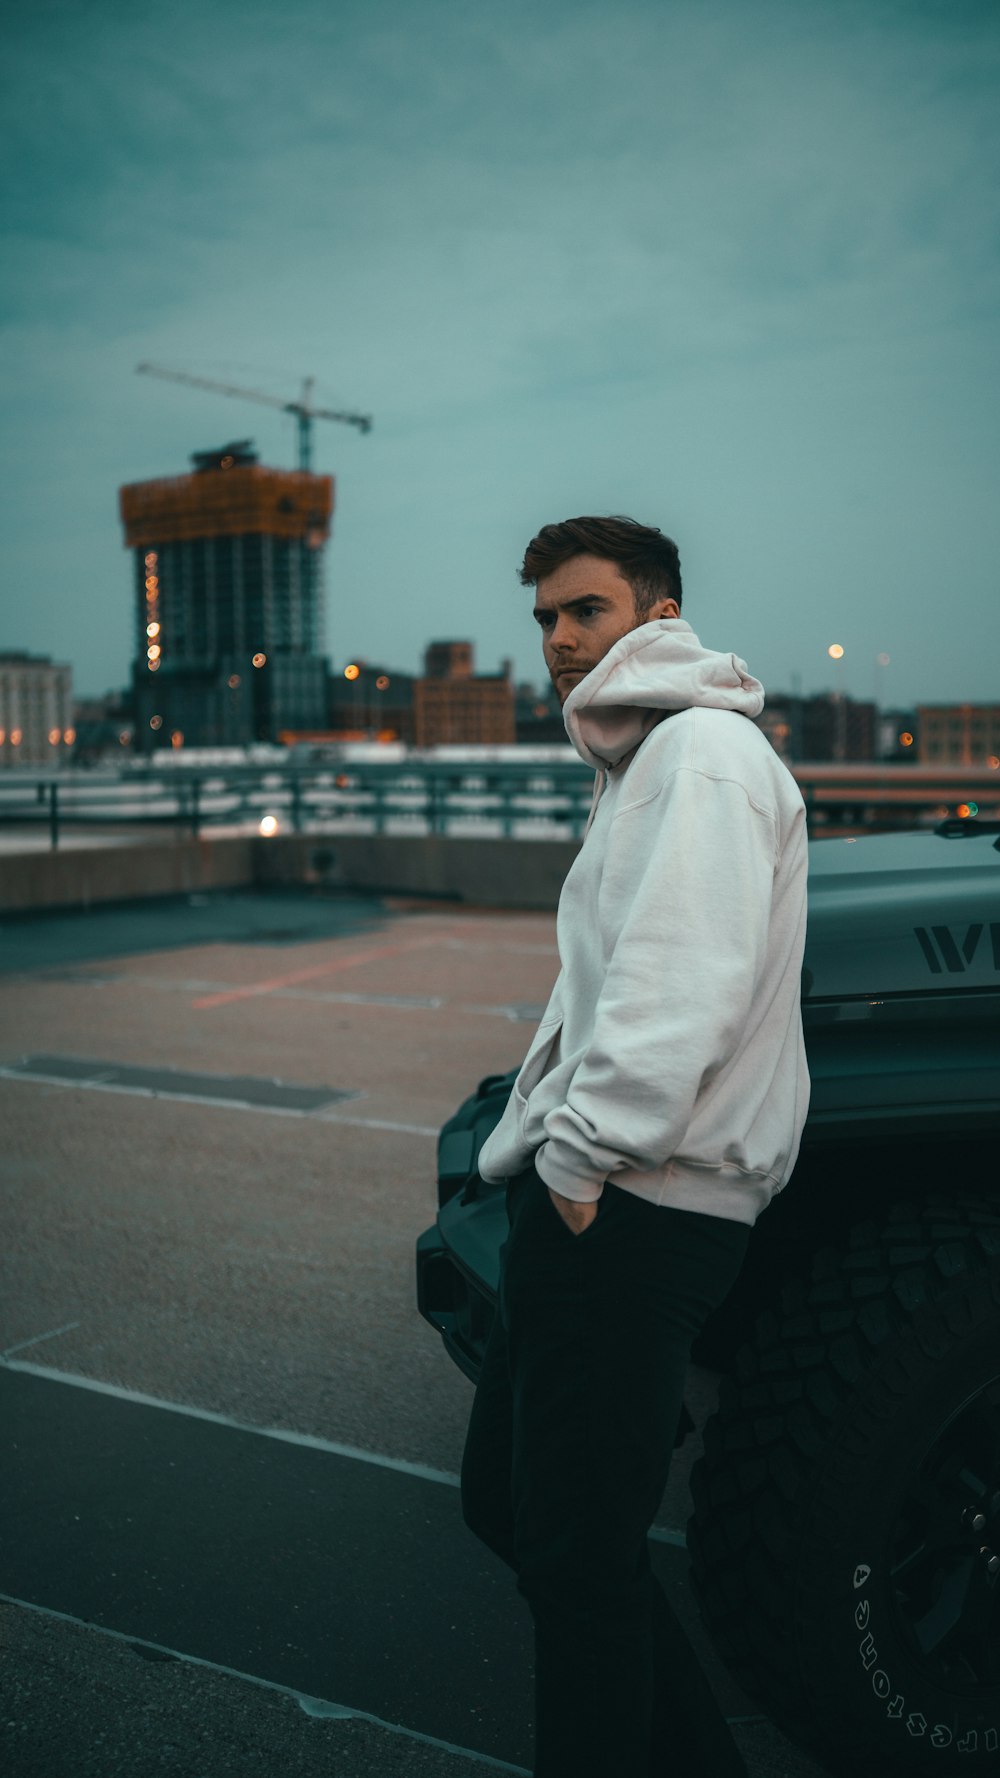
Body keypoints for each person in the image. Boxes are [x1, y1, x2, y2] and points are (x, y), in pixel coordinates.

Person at [460, 515, 810, 1778]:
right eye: (545, 616)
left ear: (657, 614)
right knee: (518, 1511)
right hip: (608, 1194)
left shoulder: (699, 757)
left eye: (585, 610)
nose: (558, 638)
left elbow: (678, 985)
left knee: (576, 1555)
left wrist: (577, 1162)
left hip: (634, 1204)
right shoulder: (646, 758)